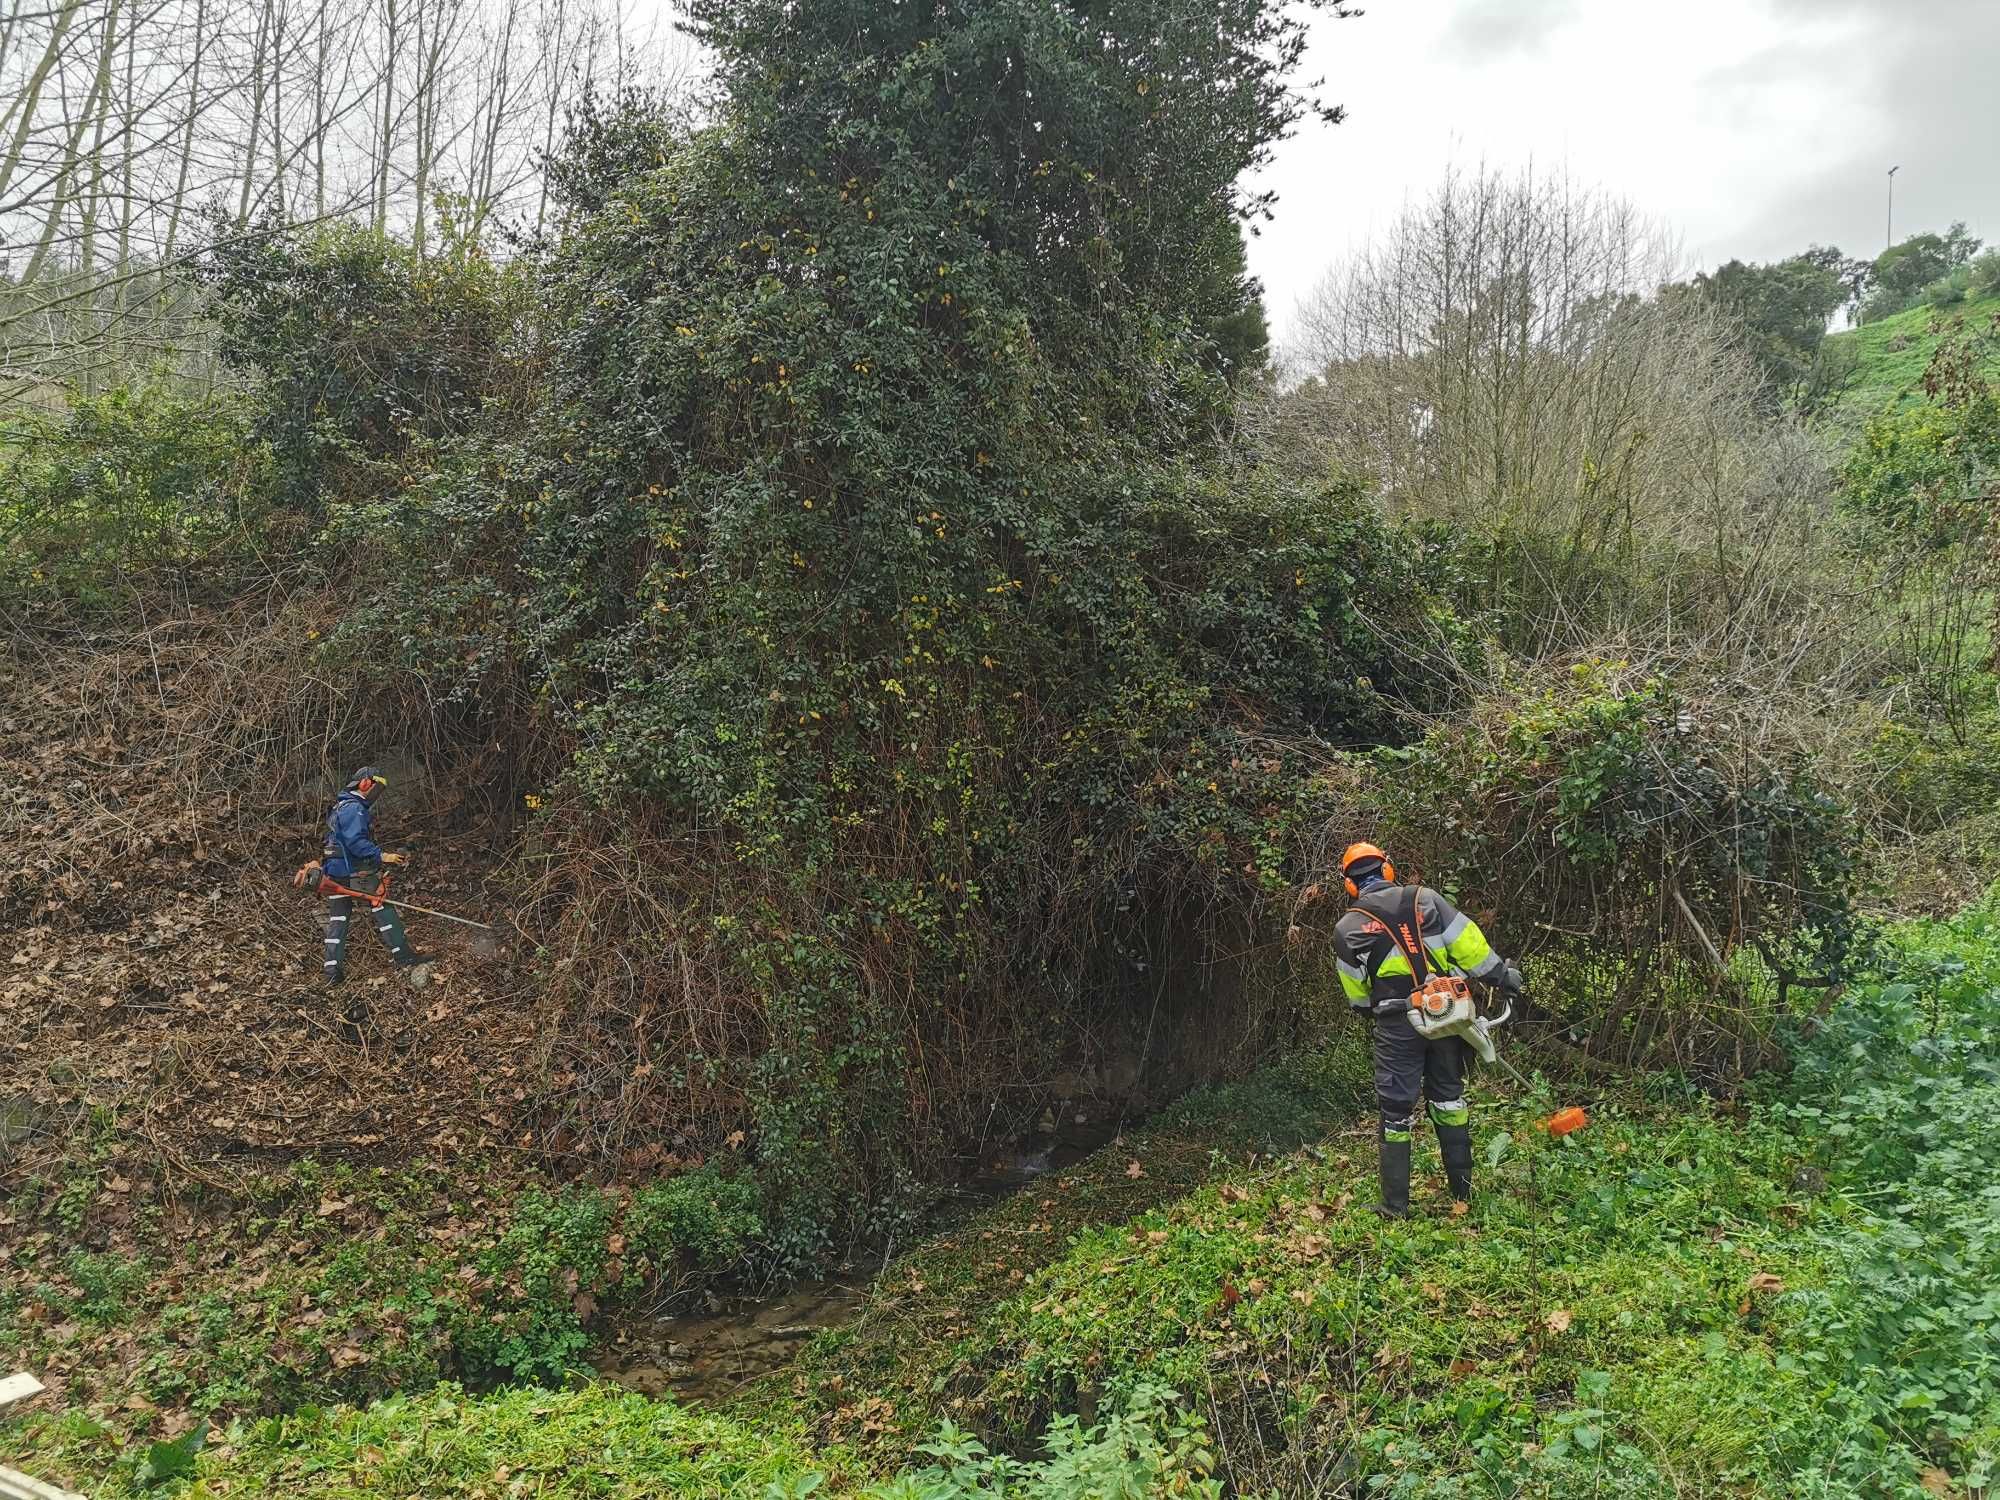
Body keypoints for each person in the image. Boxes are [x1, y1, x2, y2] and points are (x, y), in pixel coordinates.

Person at [1332, 842, 1523, 1218]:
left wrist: (1381, 1011)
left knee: (1395, 1110)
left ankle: (1395, 1206)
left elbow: (1357, 997)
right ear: (1387, 869)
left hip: (1396, 1022)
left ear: (1349, 885)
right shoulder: (1427, 900)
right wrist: (1504, 976)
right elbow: (1471, 949)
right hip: (1446, 1014)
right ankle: (1462, 1195)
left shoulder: (1347, 928)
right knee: (1449, 1098)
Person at [311, 766, 428, 986]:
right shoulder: (354, 808)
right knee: (383, 905)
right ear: (365, 783)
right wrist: (383, 856)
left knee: (338, 918)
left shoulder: (340, 806)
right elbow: (356, 843)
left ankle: (331, 972)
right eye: (376, 787)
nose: (377, 794)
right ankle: (403, 956)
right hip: (352, 871)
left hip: (334, 872)